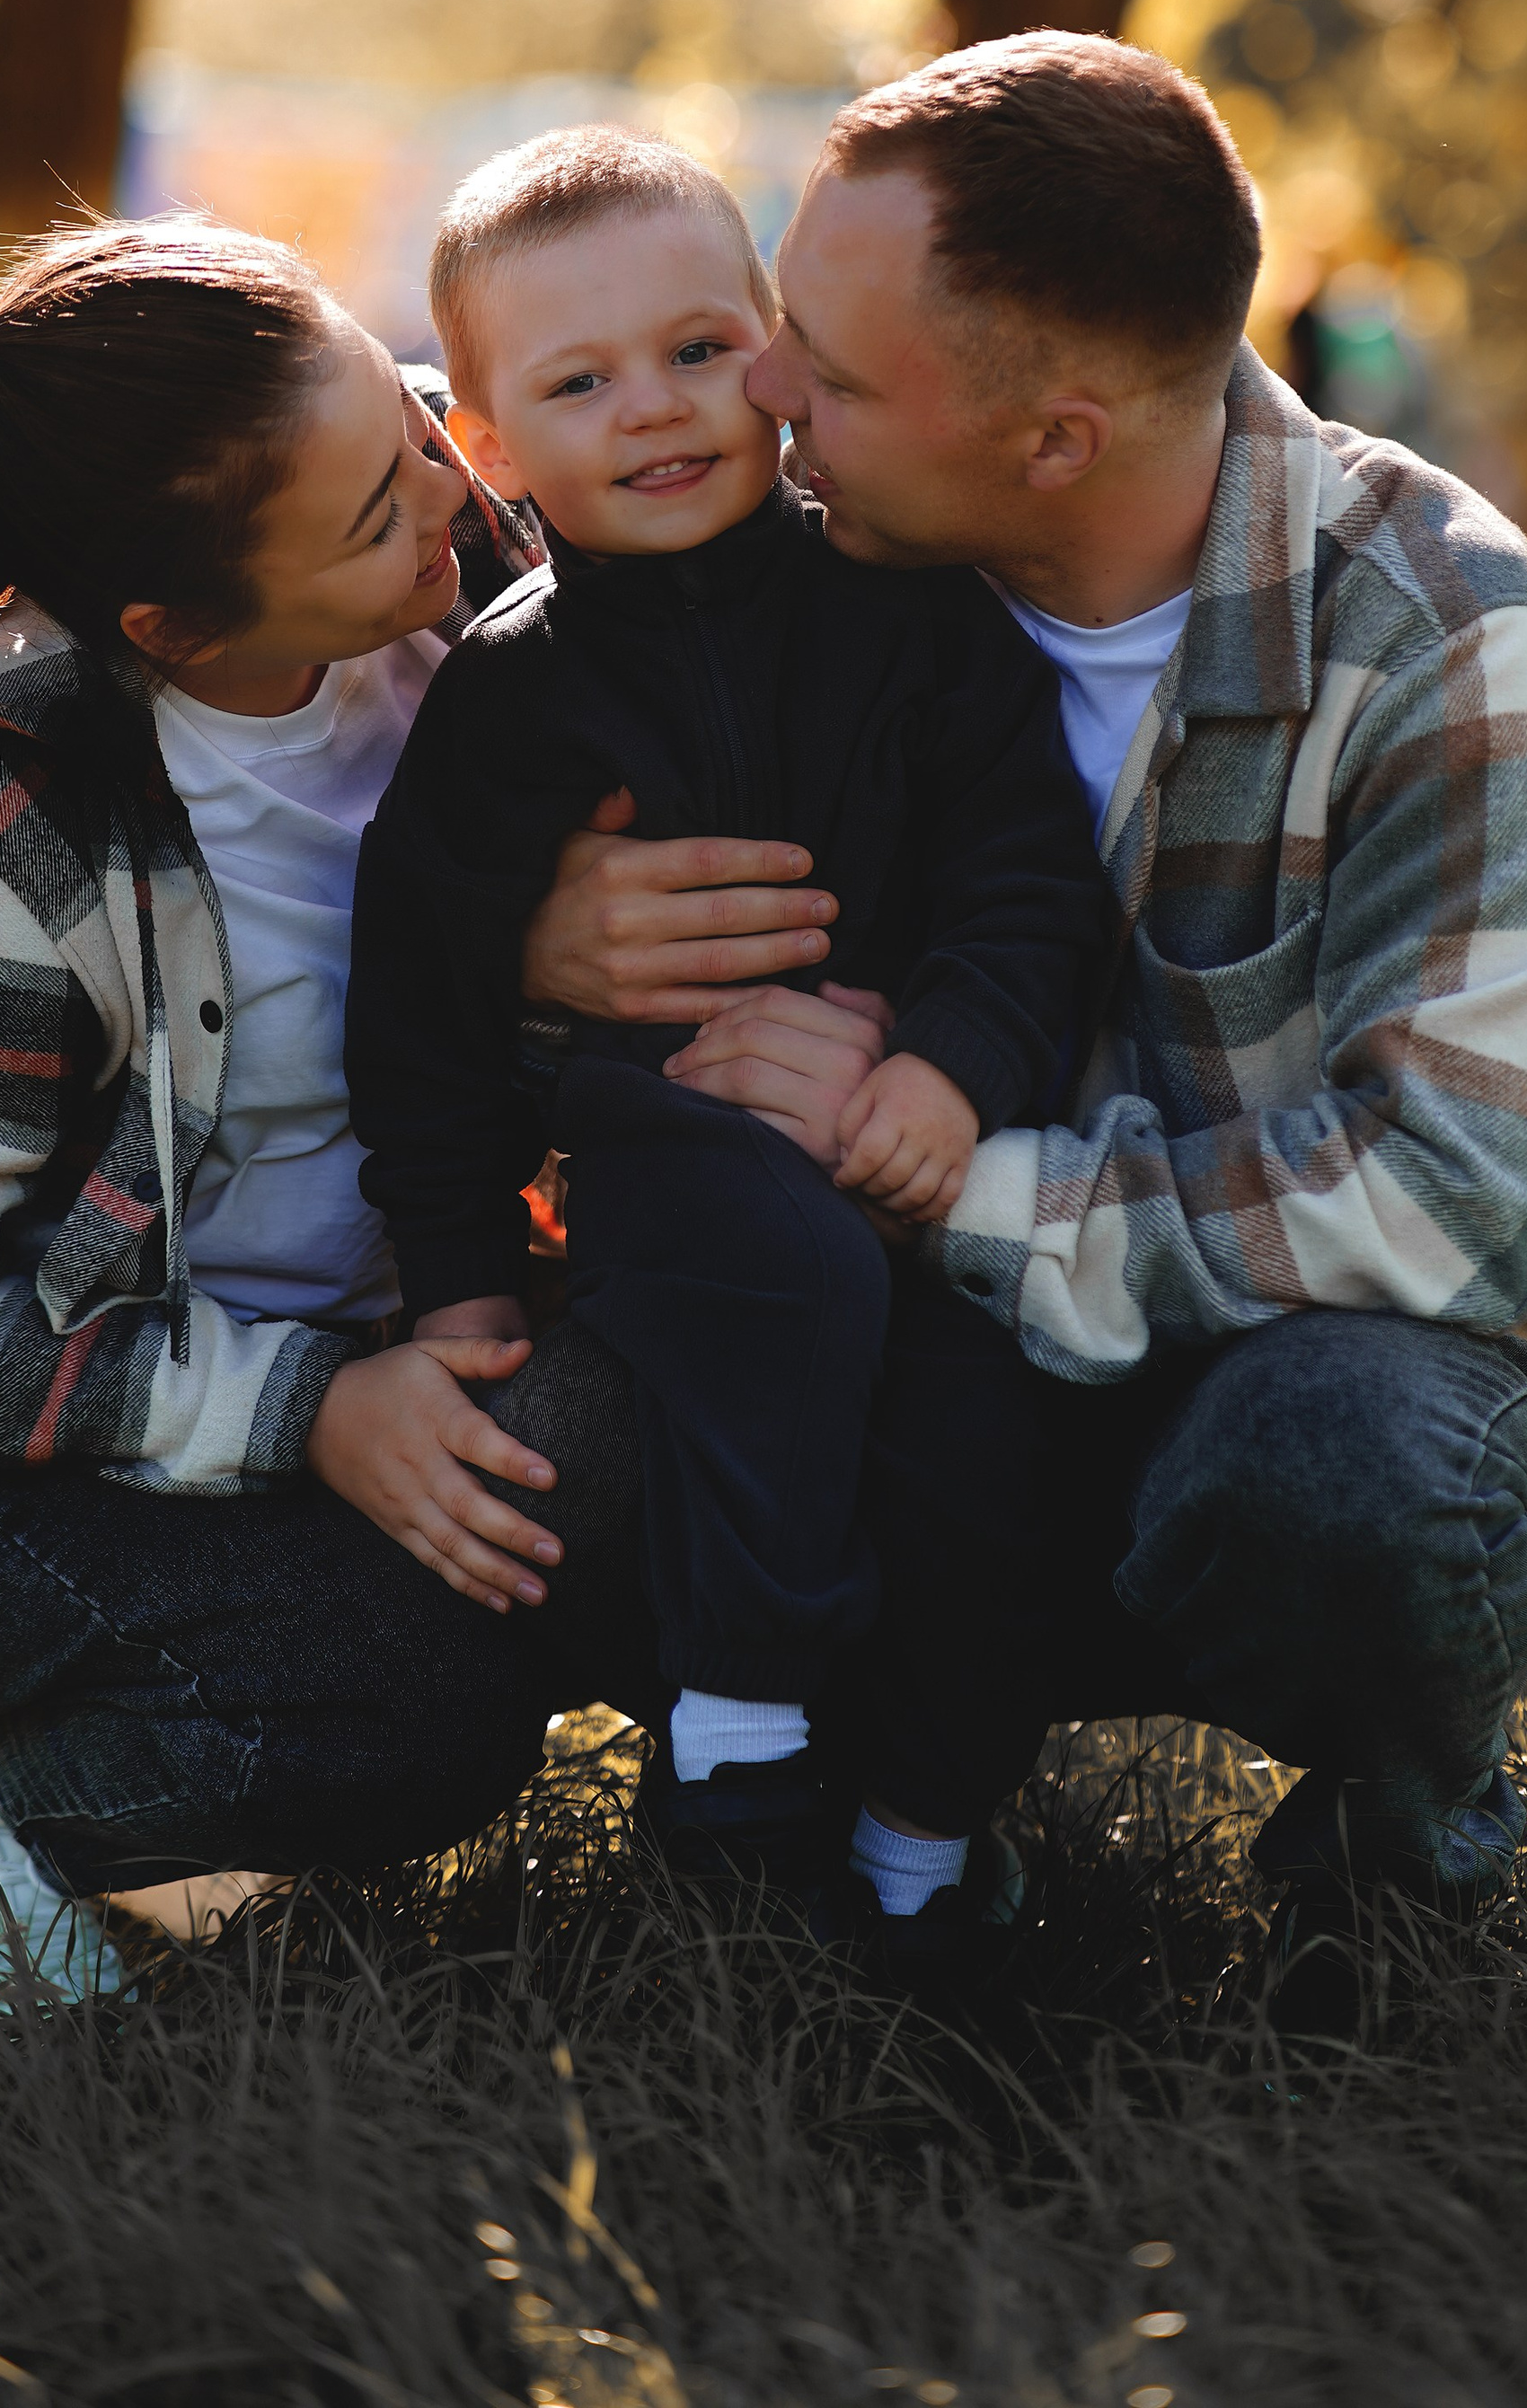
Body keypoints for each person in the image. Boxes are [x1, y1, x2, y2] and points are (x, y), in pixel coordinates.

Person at [528, 31, 1527, 1995]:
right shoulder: (801, 551)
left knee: (1358, 1474)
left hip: (1256, 1388)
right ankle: (829, 1799)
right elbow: (336, 573)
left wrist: (950, 1180)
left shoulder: (1427, 622)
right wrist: (534, 936)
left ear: (1053, 438)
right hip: (885, 1374)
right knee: (572, 1403)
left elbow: (1453, 1199)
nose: (764, 390)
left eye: (834, 371)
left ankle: (1391, 1867)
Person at [0, 215, 685, 1998]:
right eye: (378, 514)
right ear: (178, 627)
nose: (458, 491)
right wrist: (313, 1416)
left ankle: (785, 1815)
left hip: (371, 1335)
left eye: (414, 418)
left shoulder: (460, 518)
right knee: (420, 1722)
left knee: (646, 1443)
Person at [346, 130, 1106, 1900]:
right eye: (578, 380)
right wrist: (456, 1270)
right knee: (784, 1274)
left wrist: (947, 1062)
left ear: (773, 347)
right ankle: (735, 1733)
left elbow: (1026, 882)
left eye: (697, 349)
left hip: (906, 1152)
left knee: (977, 1440)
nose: (655, 409)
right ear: (483, 439)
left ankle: (922, 1836)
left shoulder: (914, 617)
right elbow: (425, 1010)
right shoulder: (507, 694)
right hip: (658, 1156)